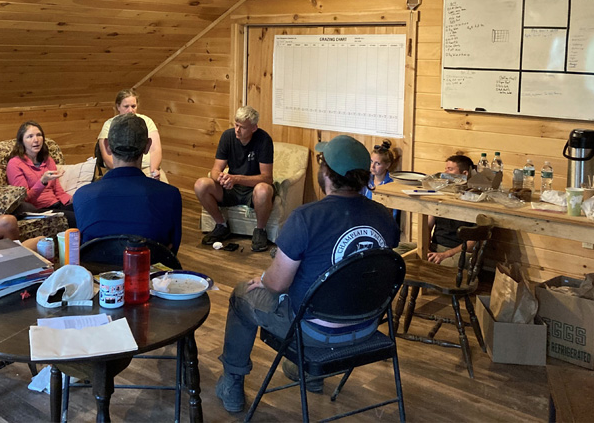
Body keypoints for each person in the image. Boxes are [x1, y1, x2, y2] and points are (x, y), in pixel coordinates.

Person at [215, 135, 400, 412]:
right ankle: (312, 375)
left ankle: (232, 383)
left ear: (326, 173)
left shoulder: (305, 217)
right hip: (367, 325)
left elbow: (276, 285)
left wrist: (264, 278)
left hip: (313, 331)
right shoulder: (383, 215)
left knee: (242, 296)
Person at [73, 113, 182, 262]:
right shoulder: (170, 195)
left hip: (98, 281)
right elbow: (171, 251)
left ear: (107, 146)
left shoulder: (82, 196)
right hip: (151, 278)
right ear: (147, 146)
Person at [194, 106, 275, 252]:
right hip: (231, 188)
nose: (237, 130)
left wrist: (236, 178)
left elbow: (267, 178)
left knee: (263, 189)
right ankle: (221, 225)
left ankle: (260, 230)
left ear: (254, 128)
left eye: (242, 127)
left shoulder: (264, 140)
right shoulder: (228, 136)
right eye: (236, 125)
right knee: (201, 184)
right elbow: (215, 170)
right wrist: (221, 178)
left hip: (252, 189)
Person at [398, 154, 476, 266]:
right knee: (399, 249)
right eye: (445, 169)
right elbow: (428, 226)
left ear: (465, 174)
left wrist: (446, 254)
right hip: (435, 246)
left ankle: (425, 277)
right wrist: (426, 247)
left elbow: (473, 242)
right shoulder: (441, 196)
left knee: (450, 265)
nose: (445, 173)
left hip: (458, 251)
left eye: (450, 169)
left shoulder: (474, 199)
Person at [6, 120, 76, 228]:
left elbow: (58, 190)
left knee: (86, 210)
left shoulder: (48, 160)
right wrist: (42, 181)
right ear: (22, 141)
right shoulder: (15, 164)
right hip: (37, 210)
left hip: (56, 204)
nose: (36, 140)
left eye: (39, 135)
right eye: (30, 136)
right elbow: (24, 199)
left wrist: (74, 199)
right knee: (75, 218)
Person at [97, 89, 166, 182]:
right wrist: (124, 173)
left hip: (147, 169)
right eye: (126, 106)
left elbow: (155, 149)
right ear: (118, 107)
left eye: (133, 106)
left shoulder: (147, 121)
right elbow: (106, 155)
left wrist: (153, 171)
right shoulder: (109, 124)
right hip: (117, 170)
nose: (130, 110)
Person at [361, 139, 399, 221]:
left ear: (387, 165)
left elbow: (393, 214)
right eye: (371, 161)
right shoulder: (366, 180)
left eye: (377, 163)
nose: (372, 166)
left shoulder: (392, 184)